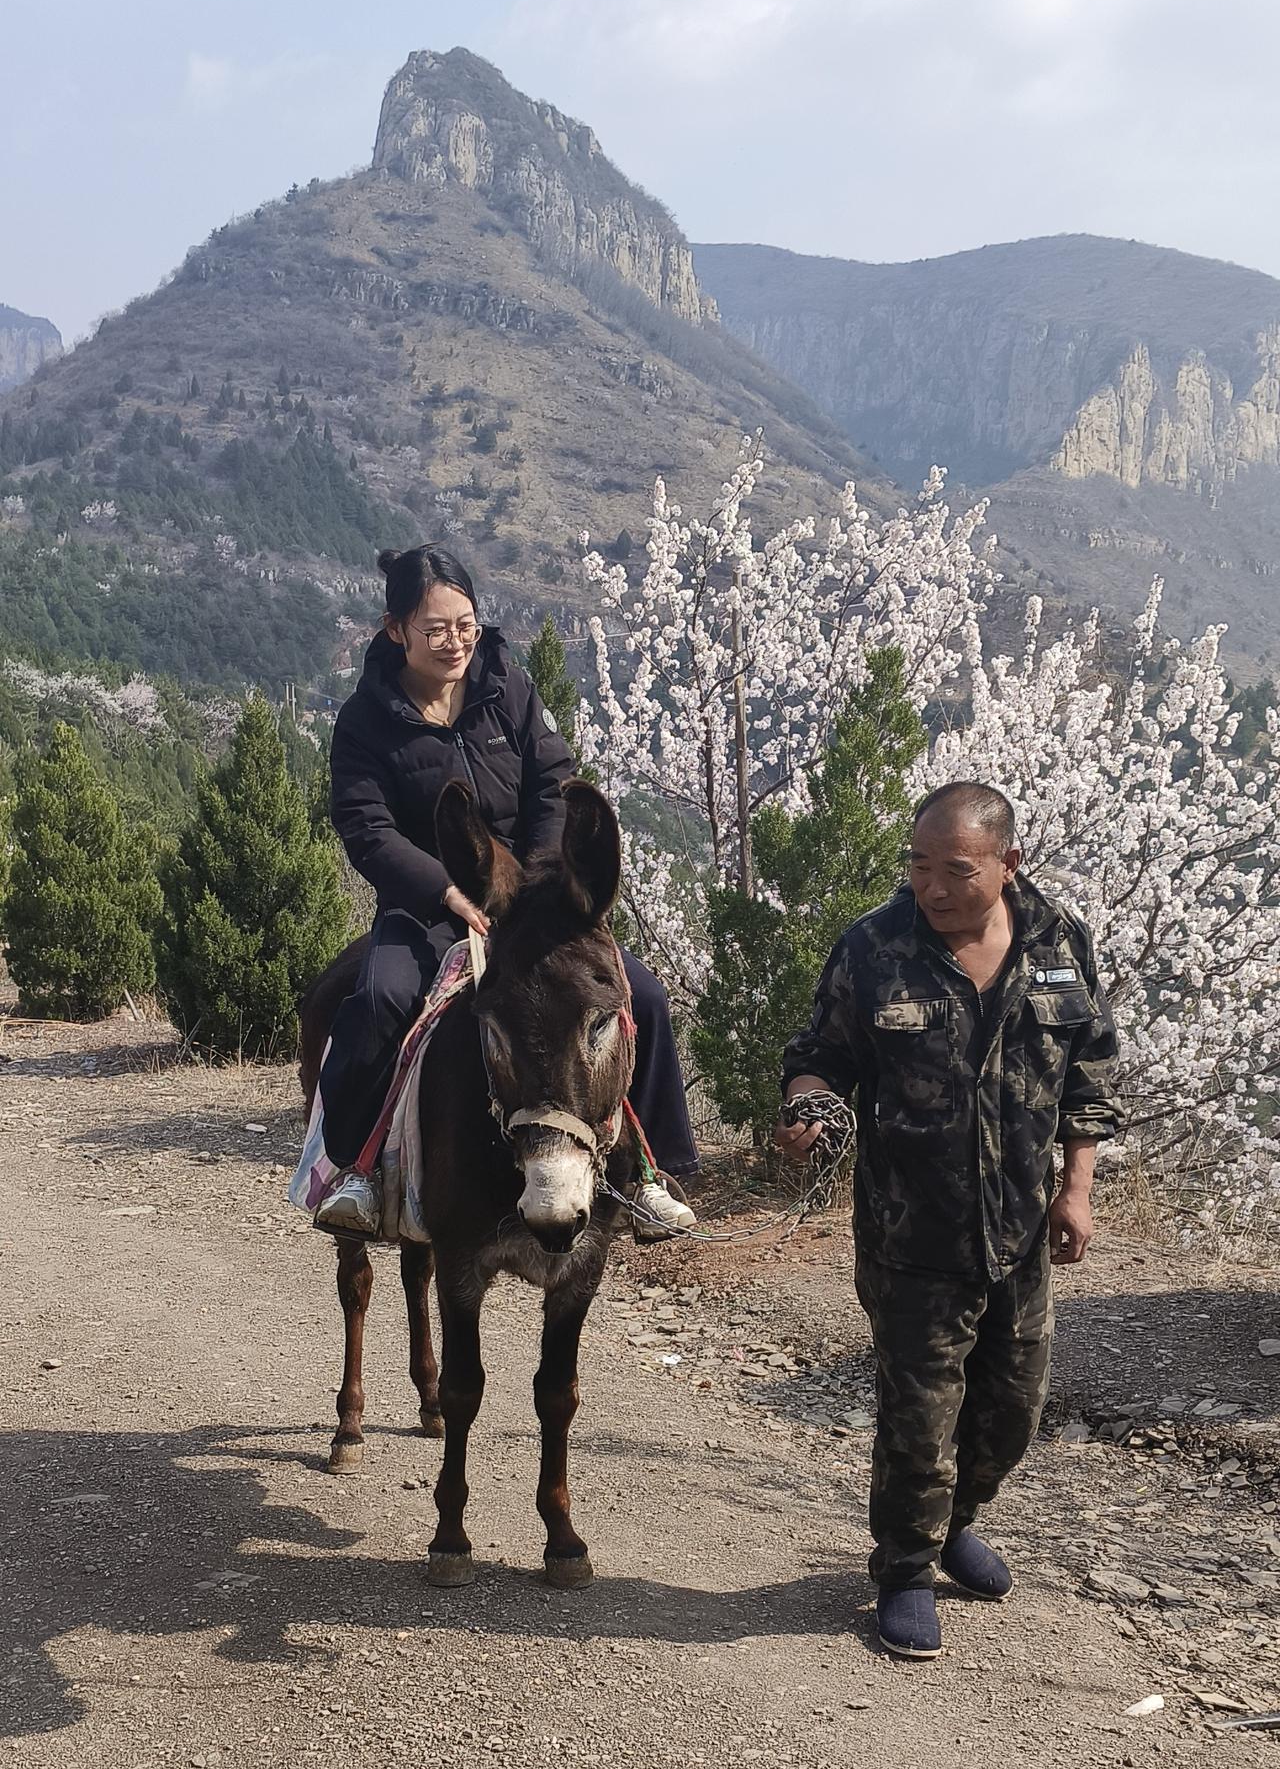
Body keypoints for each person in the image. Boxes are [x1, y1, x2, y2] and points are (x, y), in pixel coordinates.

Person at [775, 781, 1120, 1661]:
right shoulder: (874, 947)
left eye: (955, 870)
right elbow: (819, 1056)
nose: (932, 886)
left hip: (1018, 1229)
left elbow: (1090, 1077)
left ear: (1008, 864)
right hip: (909, 1232)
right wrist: (810, 1107)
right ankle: (903, 1569)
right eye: (919, 866)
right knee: (920, 1417)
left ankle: (954, 1520)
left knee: (1013, 1409)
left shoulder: (1057, 941)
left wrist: (1076, 1190)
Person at [315, 545, 698, 1241]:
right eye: (435, 628)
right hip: (428, 905)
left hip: (530, 905)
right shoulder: (365, 721)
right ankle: (358, 1169)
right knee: (378, 1000)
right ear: (395, 629)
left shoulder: (508, 688)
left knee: (641, 997)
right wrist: (445, 891)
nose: (455, 640)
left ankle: (649, 1172)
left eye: (464, 623)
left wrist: (541, 883)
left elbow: (553, 782)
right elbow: (367, 829)